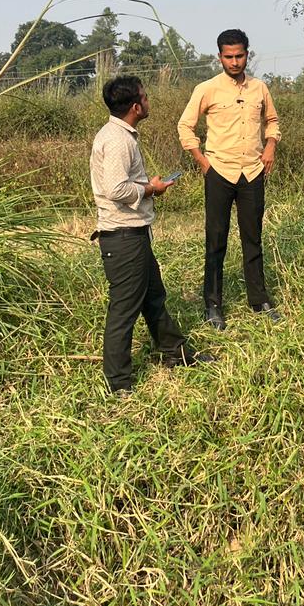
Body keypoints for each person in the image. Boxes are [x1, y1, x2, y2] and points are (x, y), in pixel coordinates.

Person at [90, 75, 210, 393]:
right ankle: (119, 384)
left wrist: (147, 187)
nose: (148, 100)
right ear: (134, 106)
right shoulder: (117, 140)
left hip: (133, 234)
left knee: (153, 298)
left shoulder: (121, 134)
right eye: (145, 96)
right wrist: (151, 188)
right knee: (124, 309)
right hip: (123, 237)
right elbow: (115, 188)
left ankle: (177, 354)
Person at [177, 29, 281, 328]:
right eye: (228, 56)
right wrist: (202, 161)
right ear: (219, 56)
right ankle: (212, 305)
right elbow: (185, 126)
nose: (234, 62)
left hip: (252, 171)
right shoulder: (206, 89)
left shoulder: (260, 88)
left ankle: (259, 300)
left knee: (253, 238)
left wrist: (271, 146)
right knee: (216, 240)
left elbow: (272, 121)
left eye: (239, 55)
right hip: (219, 171)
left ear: (248, 53)